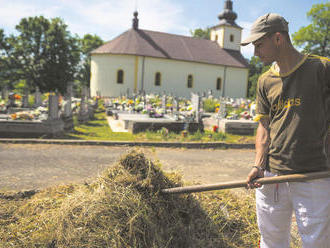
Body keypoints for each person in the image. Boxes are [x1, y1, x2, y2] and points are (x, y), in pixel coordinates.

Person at [241, 13, 330, 248]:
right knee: (271, 241)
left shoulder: (321, 69)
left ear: (278, 39)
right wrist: (258, 165)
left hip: (314, 174)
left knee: (317, 243)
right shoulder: (265, 81)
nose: (255, 52)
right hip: (272, 176)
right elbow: (264, 127)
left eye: (259, 44)